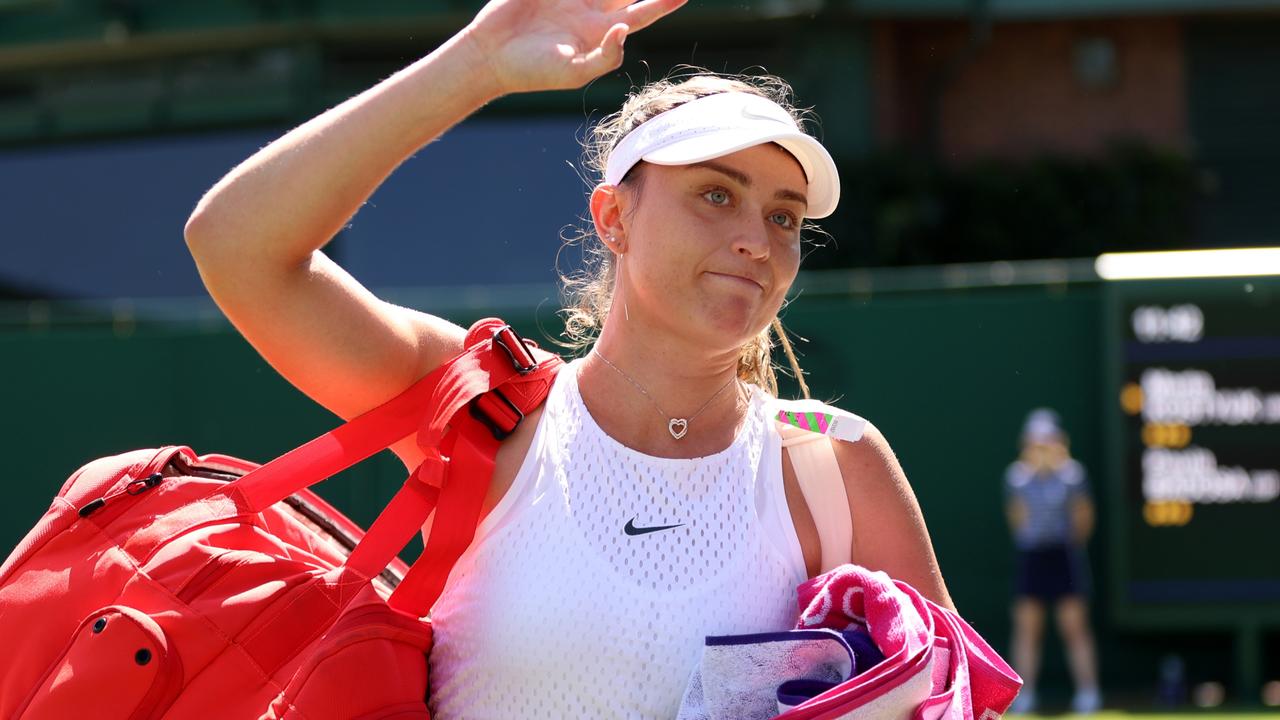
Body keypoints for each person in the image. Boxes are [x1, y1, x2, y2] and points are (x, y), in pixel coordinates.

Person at [183, 0, 953, 715]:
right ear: (614, 217)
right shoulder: (481, 409)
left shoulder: (838, 466)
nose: (758, 238)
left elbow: (950, 700)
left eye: (783, 215)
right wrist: (477, 63)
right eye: (716, 195)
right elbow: (236, 246)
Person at [1004, 409, 1101, 715]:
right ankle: (1025, 694)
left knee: (1075, 627)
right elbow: (1018, 522)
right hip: (1033, 557)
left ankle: (1088, 693)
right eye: (1036, 442)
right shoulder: (1016, 478)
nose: (1042, 447)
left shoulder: (1074, 475)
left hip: (1064, 555)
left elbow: (1084, 520)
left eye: (1048, 441)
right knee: (1027, 628)